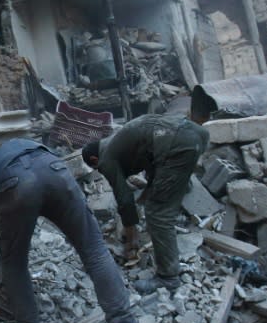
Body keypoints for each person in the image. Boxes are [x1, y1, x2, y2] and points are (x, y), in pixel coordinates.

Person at [0, 138, 142, 323]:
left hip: (14, 182)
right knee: (94, 249)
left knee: (14, 265)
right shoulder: (0, 151)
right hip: (55, 169)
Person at [82, 113, 209, 295]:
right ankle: (182, 186)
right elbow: (153, 163)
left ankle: (168, 278)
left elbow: (124, 198)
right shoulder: (119, 142)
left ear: (94, 161)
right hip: (196, 134)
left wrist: (130, 234)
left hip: (177, 144)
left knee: (157, 214)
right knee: (161, 181)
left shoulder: (105, 159)